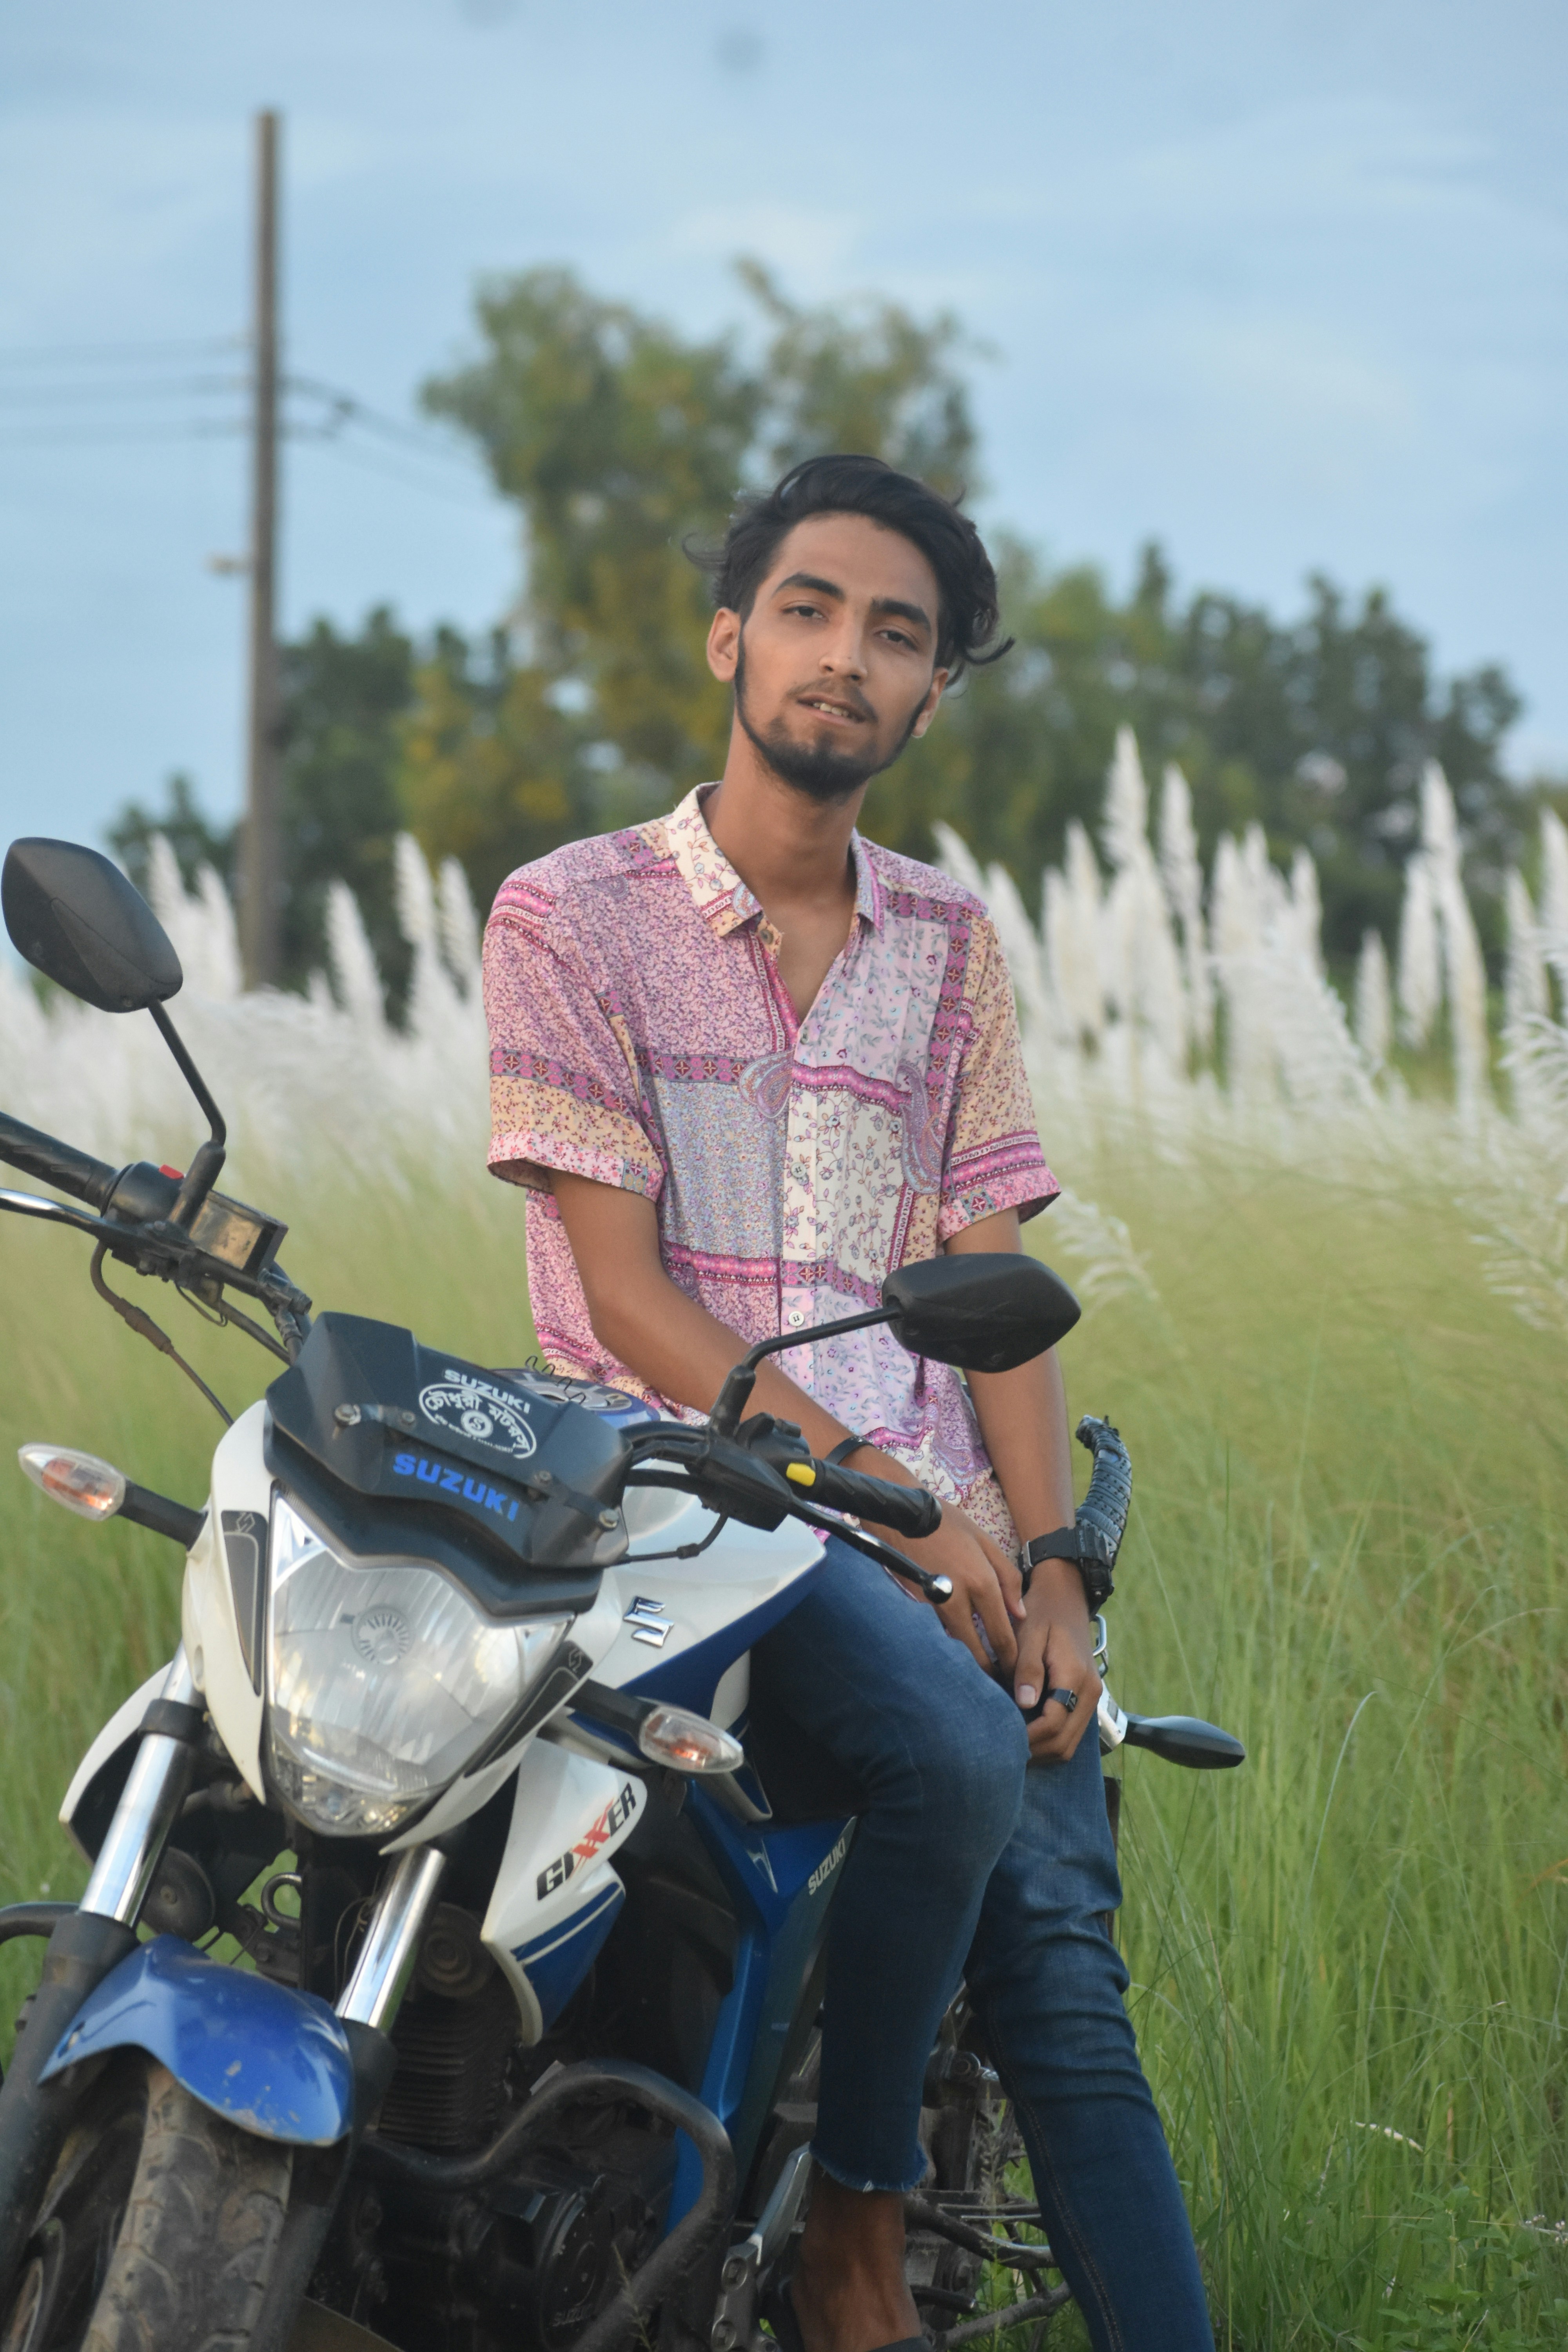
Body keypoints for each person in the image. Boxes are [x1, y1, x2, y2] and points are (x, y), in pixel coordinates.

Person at [481, 454, 1214, 2352]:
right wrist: (889, 1498)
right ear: (730, 640)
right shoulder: (568, 916)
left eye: (896, 636)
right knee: (949, 1760)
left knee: (1061, 1979)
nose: (844, 658)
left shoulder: (949, 946)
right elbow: (626, 1299)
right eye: (807, 611)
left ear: (930, 695)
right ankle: (850, 2237)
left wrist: (1054, 1570)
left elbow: (1001, 1289)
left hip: (949, 1540)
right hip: (690, 1504)